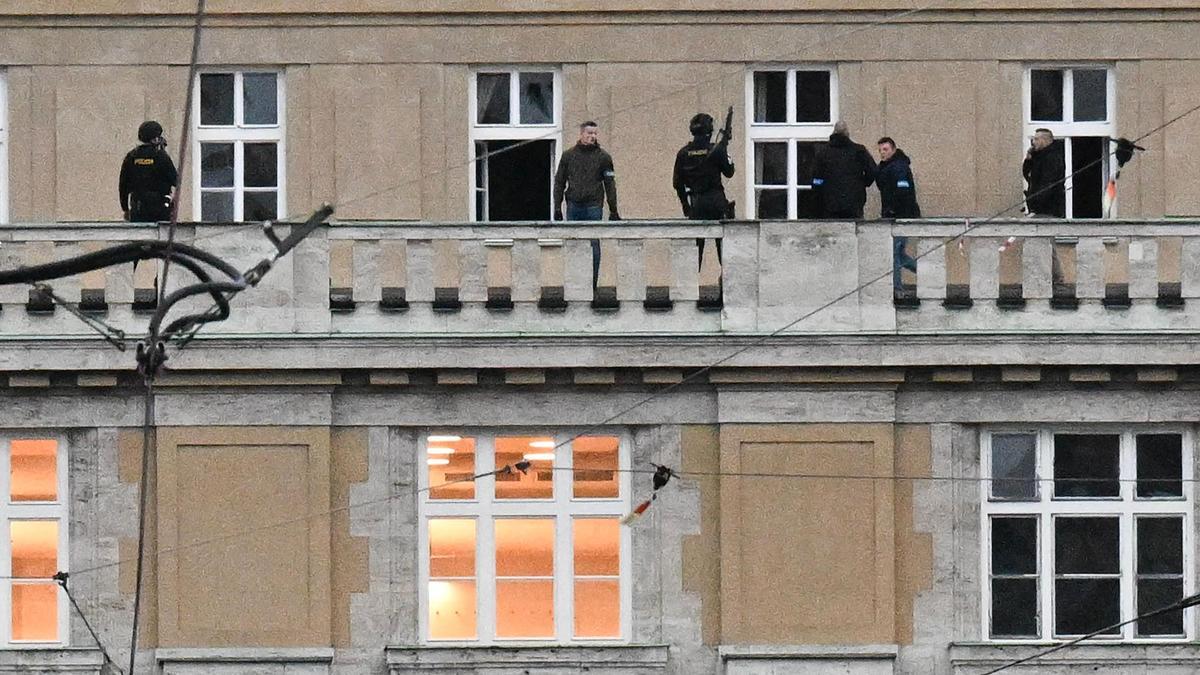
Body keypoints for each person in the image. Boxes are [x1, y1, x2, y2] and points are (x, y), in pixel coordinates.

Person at [553, 121, 620, 286]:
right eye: (589, 133)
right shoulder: (568, 156)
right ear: (581, 134)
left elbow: (610, 184)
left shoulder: (603, 157)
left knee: (593, 244)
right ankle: (574, 282)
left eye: (595, 133)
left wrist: (613, 210)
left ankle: (592, 284)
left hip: (593, 206)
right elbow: (559, 182)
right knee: (573, 243)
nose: (592, 136)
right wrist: (557, 207)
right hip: (573, 205)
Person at [673, 112, 735, 265]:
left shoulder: (683, 153)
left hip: (696, 203)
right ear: (709, 131)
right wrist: (725, 149)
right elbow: (729, 172)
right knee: (726, 252)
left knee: (694, 254)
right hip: (716, 202)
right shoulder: (717, 150)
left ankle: (691, 287)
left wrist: (685, 206)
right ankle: (725, 286)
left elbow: (677, 183)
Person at [876, 137, 921, 291]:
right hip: (894, 215)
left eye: (886, 149)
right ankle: (927, 274)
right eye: (880, 150)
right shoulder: (886, 167)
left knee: (894, 254)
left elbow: (903, 191)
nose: (882, 153)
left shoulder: (899, 166)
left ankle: (897, 289)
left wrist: (893, 210)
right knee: (899, 254)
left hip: (902, 217)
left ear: (893, 149)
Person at [811, 120, 876, 219]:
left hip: (829, 203)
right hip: (854, 202)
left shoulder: (823, 152)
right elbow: (872, 171)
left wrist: (819, 193)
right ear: (847, 133)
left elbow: (816, 178)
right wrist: (863, 183)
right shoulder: (859, 150)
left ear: (833, 132)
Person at [119, 120, 178, 222]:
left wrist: (125, 209)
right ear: (155, 138)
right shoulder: (161, 156)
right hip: (160, 208)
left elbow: (123, 186)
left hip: (138, 207)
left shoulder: (131, 156)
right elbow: (175, 180)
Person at [1022, 128, 1065, 218]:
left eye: (1036, 139)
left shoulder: (1052, 158)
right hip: (1037, 209)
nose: (1033, 142)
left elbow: (1047, 185)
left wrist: (1036, 206)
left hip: (1048, 210)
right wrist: (1028, 160)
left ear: (1045, 140)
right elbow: (1027, 176)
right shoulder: (1038, 156)